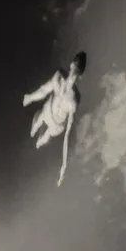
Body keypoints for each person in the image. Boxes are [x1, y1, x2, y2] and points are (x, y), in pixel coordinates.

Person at [23, 50, 88, 186]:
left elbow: (67, 136)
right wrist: (30, 97)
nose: (72, 74)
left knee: (42, 140)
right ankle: (34, 131)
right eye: (73, 68)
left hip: (56, 126)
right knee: (34, 128)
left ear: (79, 75)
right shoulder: (58, 77)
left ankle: (39, 141)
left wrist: (63, 167)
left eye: (75, 71)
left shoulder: (73, 100)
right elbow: (44, 90)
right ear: (71, 65)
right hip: (46, 112)